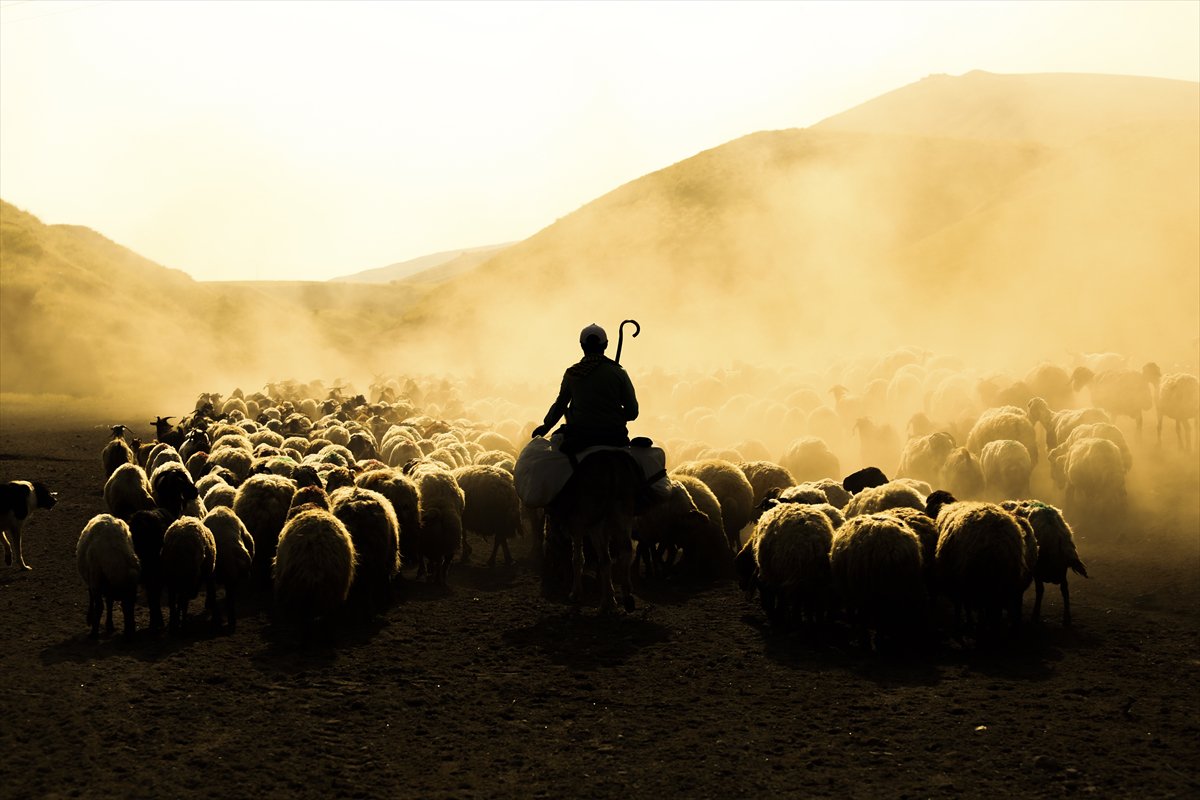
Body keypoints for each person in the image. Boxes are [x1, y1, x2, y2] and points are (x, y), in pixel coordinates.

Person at [531, 323, 639, 453]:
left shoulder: (572, 373)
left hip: (579, 436)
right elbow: (633, 412)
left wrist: (546, 427)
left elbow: (560, 405)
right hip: (615, 436)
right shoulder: (619, 372)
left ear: (582, 345)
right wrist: (612, 415)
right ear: (606, 345)